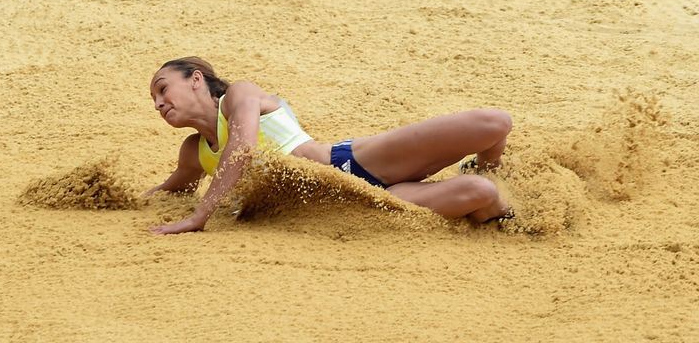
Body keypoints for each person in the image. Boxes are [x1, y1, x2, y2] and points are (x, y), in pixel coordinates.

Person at [147, 57, 513, 235]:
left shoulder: (237, 96)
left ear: (196, 79)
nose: (159, 103)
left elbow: (240, 147)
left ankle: (492, 175)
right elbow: (167, 191)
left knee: (495, 124)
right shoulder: (195, 151)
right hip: (351, 207)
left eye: (163, 89)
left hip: (351, 164)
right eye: (154, 100)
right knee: (482, 194)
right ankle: (494, 208)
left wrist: (200, 217)